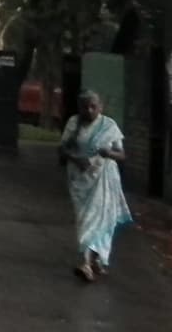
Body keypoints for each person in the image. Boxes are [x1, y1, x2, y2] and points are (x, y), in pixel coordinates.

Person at [59, 90, 132, 282]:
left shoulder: (109, 126)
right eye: (85, 107)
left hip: (104, 179)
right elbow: (63, 148)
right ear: (79, 108)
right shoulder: (73, 123)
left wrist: (108, 153)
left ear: (101, 107)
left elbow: (122, 155)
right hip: (79, 180)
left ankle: (86, 263)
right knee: (84, 219)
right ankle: (96, 259)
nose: (89, 110)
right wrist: (77, 159)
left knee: (98, 219)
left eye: (93, 106)